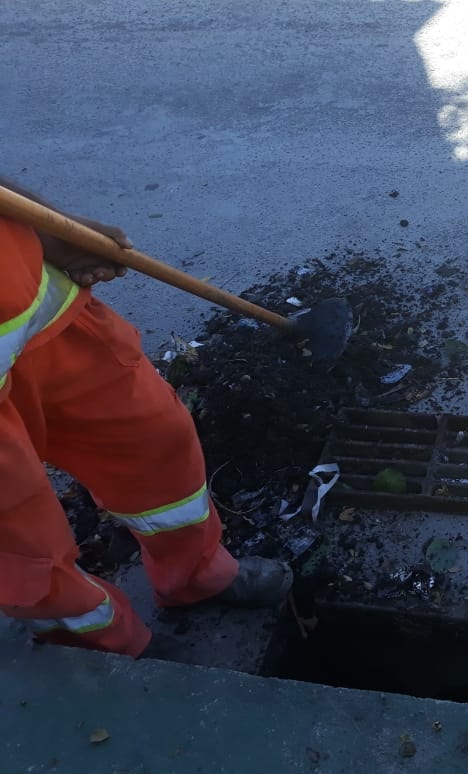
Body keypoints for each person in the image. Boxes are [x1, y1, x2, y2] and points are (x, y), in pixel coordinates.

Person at [0, 178, 292, 658]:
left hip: (42, 324)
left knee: (156, 442)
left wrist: (45, 226)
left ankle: (194, 575)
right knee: (26, 553)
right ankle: (113, 648)